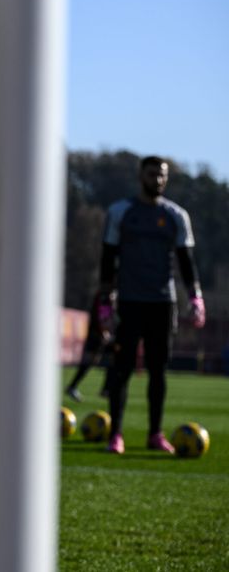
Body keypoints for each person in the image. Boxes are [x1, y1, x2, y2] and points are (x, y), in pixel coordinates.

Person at [99, 155, 205, 455]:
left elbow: (186, 261)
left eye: (162, 175)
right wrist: (106, 304)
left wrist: (195, 297)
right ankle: (115, 435)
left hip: (163, 302)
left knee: (158, 371)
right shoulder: (121, 212)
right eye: (152, 174)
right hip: (130, 301)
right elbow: (107, 258)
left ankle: (155, 434)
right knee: (122, 369)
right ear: (140, 176)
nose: (157, 180)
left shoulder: (176, 216)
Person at [63, 293, 114, 402]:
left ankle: (106, 388)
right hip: (98, 335)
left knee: (109, 359)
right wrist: (103, 331)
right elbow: (102, 315)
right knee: (93, 360)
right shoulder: (105, 295)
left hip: (101, 333)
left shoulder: (108, 295)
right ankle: (73, 386)